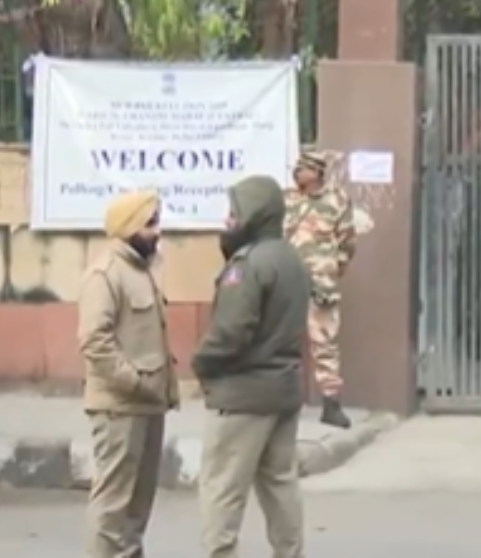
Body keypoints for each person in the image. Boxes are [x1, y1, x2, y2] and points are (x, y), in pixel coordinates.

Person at [193, 174, 311, 558]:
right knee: (281, 484)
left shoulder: (246, 266)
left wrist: (201, 362)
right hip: (284, 390)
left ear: (254, 215)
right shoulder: (293, 259)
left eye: (234, 213)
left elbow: (231, 332)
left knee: (222, 489)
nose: (227, 221)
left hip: (242, 396)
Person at [78, 190, 178, 558]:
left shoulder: (146, 269)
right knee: (112, 507)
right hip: (119, 407)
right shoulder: (105, 274)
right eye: (150, 224)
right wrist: (135, 383)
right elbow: (95, 342)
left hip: (149, 404)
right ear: (129, 227)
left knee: (137, 509)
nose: (158, 231)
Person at [284, 151, 356, 428]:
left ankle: (331, 404)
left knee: (325, 343)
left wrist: (334, 268)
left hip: (321, 283)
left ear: (317, 172)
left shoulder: (337, 200)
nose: (297, 173)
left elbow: (347, 241)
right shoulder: (287, 200)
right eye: (296, 168)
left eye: (303, 169)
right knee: (282, 342)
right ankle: (283, 402)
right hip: (288, 281)